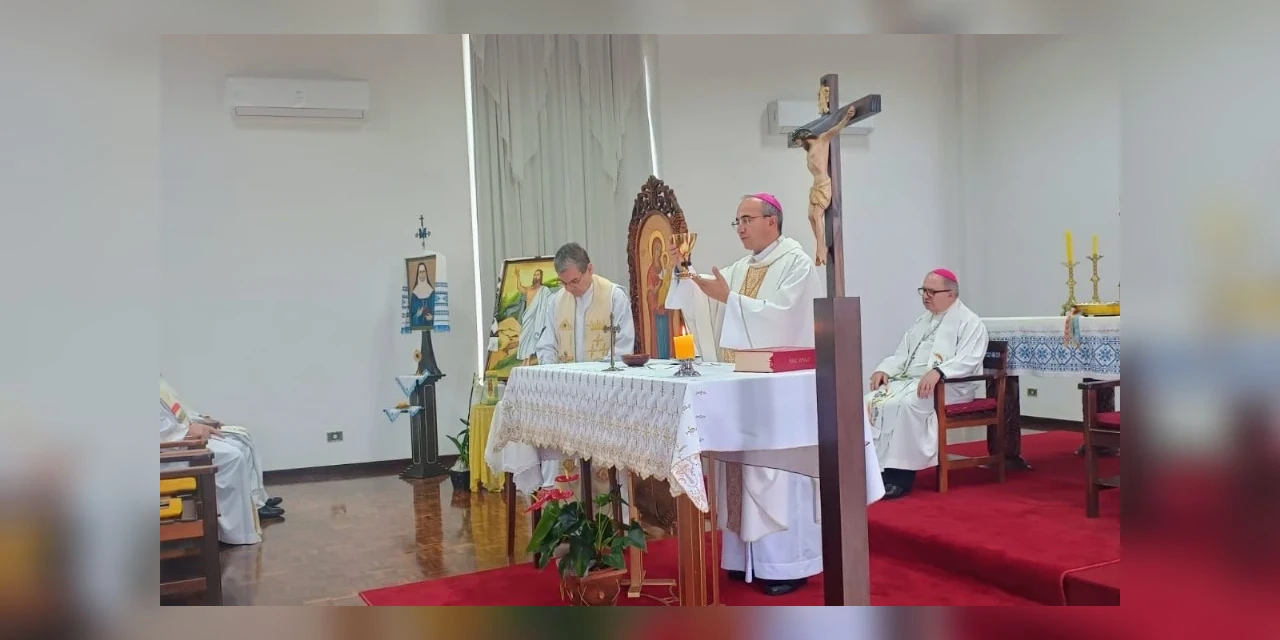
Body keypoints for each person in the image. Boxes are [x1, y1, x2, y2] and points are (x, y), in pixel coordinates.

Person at [664, 193, 885, 596]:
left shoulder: (796, 263)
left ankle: (787, 563)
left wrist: (730, 300)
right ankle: (742, 560)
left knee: (777, 473)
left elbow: (784, 317)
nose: (740, 228)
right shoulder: (741, 267)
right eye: (737, 221)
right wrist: (687, 274)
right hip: (745, 388)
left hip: (781, 395)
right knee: (741, 467)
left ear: (772, 220)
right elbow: (711, 305)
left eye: (746, 219)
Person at [866, 268, 989, 499]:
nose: (925, 296)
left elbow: (969, 359)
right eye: (923, 291)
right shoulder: (922, 322)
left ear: (951, 294)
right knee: (869, 401)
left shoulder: (970, 323)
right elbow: (902, 355)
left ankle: (899, 478)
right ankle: (875, 474)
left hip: (950, 387)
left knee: (908, 404)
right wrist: (884, 369)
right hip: (914, 382)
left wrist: (939, 372)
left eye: (932, 292)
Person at [531, 242, 636, 499]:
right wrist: (552, 373)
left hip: (603, 398)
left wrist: (596, 380)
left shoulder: (613, 297)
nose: (569, 288)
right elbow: (546, 345)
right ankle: (571, 516)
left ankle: (609, 517)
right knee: (569, 464)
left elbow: (623, 346)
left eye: (574, 281)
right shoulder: (556, 302)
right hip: (567, 398)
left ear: (589, 269)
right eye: (564, 283)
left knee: (603, 463)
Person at [160, 377, 283, 545]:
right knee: (233, 456)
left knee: (241, 441)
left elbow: (178, 412)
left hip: (179, 442)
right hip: (169, 454)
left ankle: (255, 504)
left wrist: (199, 421)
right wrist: (190, 430)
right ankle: (234, 531)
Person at [515, 268, 555, 363]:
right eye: (534, 275)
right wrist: (517, 276)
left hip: (536, 319)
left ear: (541, 276)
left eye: (538, 275)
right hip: (527, 318)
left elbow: (551, 299)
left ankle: (527, 360)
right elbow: (519, 287)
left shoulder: (544, 290)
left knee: (532, 339)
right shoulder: (529, 289)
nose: (536, 276)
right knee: (523, 338)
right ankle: (524, 360)